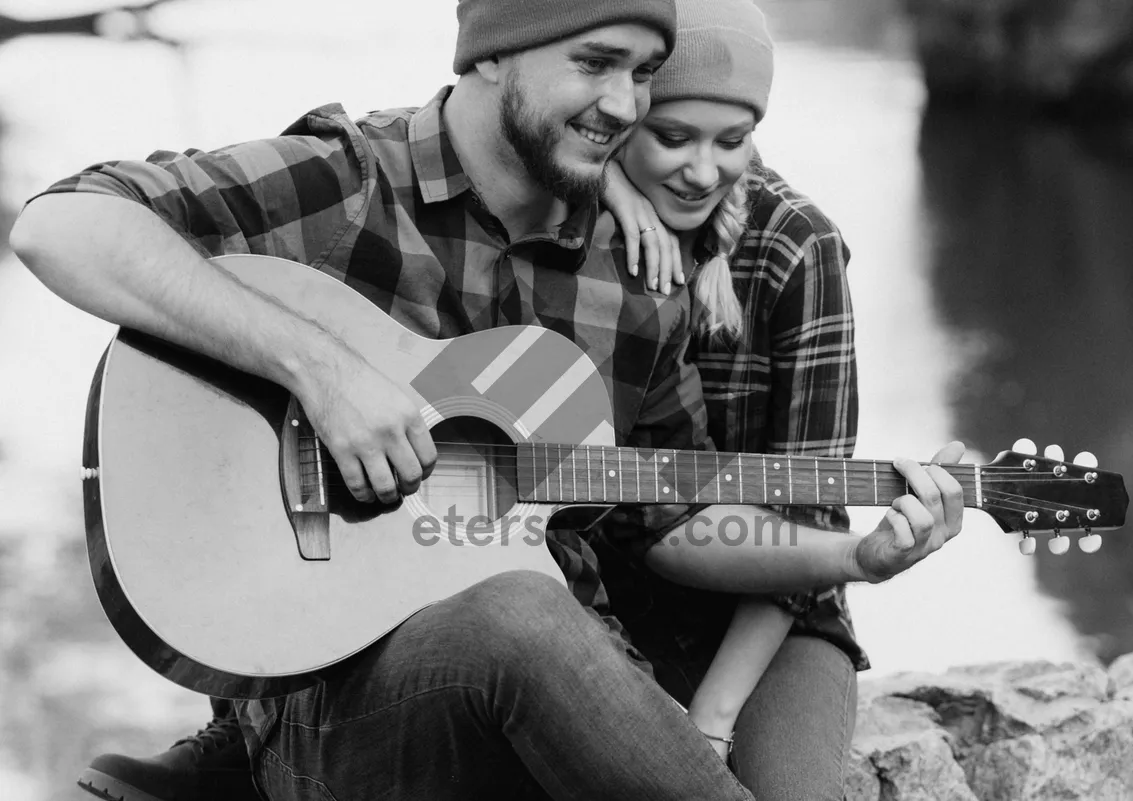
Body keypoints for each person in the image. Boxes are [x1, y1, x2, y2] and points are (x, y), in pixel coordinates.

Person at [11, 0, 964, 798]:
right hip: (338, 719)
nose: (623, 104)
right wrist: (325, 372)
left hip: (561, 717)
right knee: (517, 612)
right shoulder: (352, 185)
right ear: (493, 49)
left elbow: (668, 519)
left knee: (539, 613)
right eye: (596, 63)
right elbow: (65, 226)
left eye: (643, 73)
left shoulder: (637, 274)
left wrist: (857, 554)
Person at [594, 1, 928, 797]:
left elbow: (811, 514)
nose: (702, 171)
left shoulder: (795, 248)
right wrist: (607, 185)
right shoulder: (576, 214)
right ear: (627, 114)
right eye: (672, 137)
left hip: (771, 613)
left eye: (731, 140)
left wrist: (711, 715)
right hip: (604, 596)